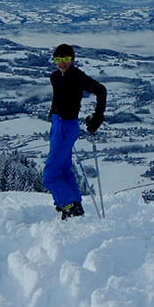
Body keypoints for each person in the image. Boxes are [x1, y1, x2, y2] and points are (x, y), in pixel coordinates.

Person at [42, 43, 106, 219]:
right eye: (58, 59)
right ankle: (74, 204)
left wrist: (98, 115)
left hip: (66, 126)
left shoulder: (77, 76)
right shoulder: (55, 77)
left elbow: (101, 90)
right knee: (63, 169)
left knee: (49, 176)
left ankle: (68, 205)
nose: (61, 63)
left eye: (65, 59)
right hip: (58, 124)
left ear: (72, 59)